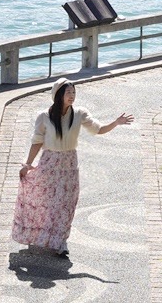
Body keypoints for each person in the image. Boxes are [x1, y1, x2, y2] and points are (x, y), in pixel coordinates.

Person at [13, 78, 134, 257]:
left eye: (73, 93)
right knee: (47, 202)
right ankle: (44, 235)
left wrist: (116, 123)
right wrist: (28, 164)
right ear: (58, 95)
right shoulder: (44, 116)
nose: (72, 96)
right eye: (68, 93)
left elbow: (98, 129)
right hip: (49, 163)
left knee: (66, 204)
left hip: (69, 164)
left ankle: (60, 241)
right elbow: (37, 142)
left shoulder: (79, 114)